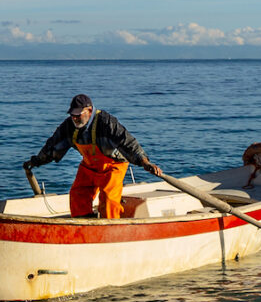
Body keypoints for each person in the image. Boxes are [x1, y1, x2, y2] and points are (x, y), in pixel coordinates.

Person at [23, 94, 162, 219]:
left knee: (108, 200)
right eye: (72, 115)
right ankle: (83, 224)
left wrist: (145, 162)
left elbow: (128, 143)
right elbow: (52, 146)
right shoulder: (68, 127)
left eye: (78, 114)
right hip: (89, 166)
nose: (75, 118)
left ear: (89, 111)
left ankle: (112, 230)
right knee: (77, 195)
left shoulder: (106, 122)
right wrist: (36, 161)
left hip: (113, 166)